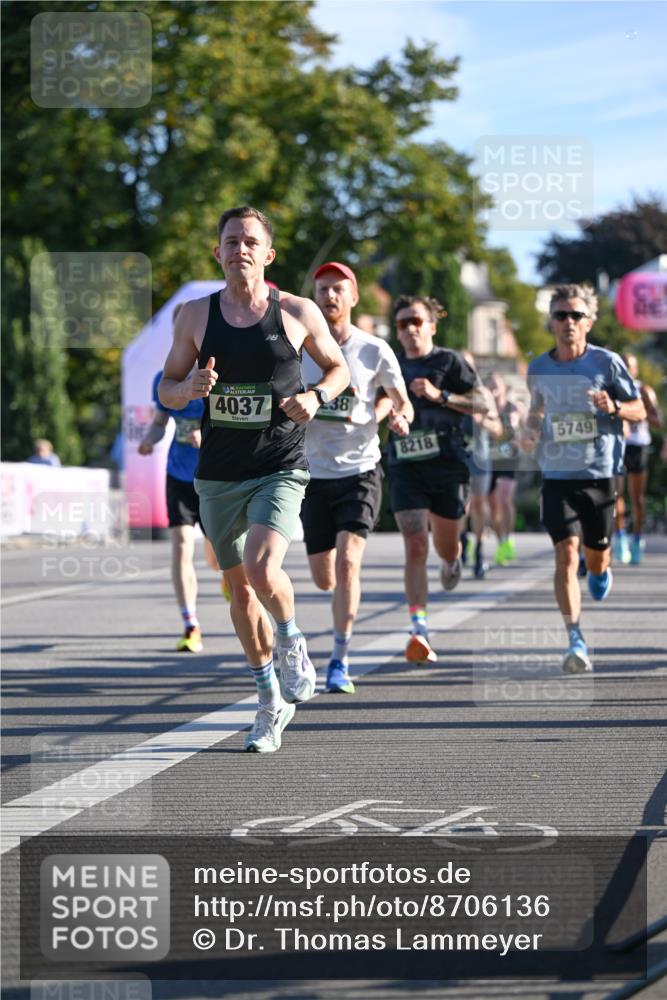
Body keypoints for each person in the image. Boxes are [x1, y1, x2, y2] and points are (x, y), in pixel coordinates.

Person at [158, 206, 349, 753]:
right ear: (217, 253)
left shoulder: (297, 311)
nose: (239, 248)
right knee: (239, 591)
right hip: (218, 473)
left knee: (265, 567)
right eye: (230, 240)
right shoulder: (194, 316)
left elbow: (338, 369)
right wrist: (189, 387)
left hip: (279, 464)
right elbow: (167, 391)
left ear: (268, 254)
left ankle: (291, 641)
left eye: (250, 241)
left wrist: (315, 396)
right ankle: (268, 702)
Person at [521, 284, 646, 674]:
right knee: (565, 554)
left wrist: (615, 406)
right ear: (551, 322)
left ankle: (601, 568)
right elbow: (536, 411)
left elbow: (639, 410)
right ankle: (575, 637)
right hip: (557, 475)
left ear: (589, 322)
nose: (568, 322)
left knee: (595, 557)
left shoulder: (607, 363)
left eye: (576, 316)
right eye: (561, 315)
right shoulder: (538, 368)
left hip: (600, 474)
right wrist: (529, 430)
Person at [302, 261, 413, 694]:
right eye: (322, 289)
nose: (329, 296)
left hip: (361, 470)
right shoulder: (300, 347)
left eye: (337, 289)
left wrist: (399, 417)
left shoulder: (374, 349)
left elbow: (402, 401)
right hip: (312, 474)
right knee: (324, 577)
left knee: (349, 562)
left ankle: (339, 659)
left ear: (353, 298)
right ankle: (335, 639)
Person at [385, 295, 483, 664]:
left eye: (415, 322)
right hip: (405, 464)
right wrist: (388, 416)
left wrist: (441, 395)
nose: (409, 329)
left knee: (446, 546)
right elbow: (377, 401)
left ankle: (453, 558)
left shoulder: (449, 361)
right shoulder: (390, 364)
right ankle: (419, 627)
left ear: (431, 326)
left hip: (447, 465)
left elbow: (483, 403)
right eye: (402, 324)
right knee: (414, 545)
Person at [139, 303, 219, 653]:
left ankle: (226, 574)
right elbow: (160, 422)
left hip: (217, 477)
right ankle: (191, 625)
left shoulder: (220, 377)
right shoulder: (165, 380)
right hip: (180, 476)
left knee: (218, 556)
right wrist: (148, 440)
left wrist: (210, 438)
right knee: (182, 547)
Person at [614, 352, 663, 565]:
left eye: (629, 366)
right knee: (615, 494)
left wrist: (638, 413)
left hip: (638, 446)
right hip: (617, 446)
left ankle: (637, 540)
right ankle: (620, 538)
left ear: (636, 370)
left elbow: (658, 421)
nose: (626, 369)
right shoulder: (611, 389)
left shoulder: (643, 390)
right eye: (622, 365)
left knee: (637, 498)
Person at [459, 351, 503, 580]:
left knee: (477, 504)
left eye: (467, 365)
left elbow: (498, 429)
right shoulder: (447, 392)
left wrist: (482, 420)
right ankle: (461, 541)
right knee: (458, 506)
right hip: (456, 456)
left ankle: (478, 551)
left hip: (479, 456)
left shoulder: (483, 393)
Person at [485, 372, 527, 566]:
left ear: (504, 388)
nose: (493, 389)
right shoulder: (483, 409)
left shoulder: (513, 408)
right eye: (489, 385)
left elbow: (530, 425)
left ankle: (508, 539)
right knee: (493, 504)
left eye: (496, 385)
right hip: (489, 460)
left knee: (504, 498)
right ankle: (501, 540)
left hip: (509, 459)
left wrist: (523, 436)